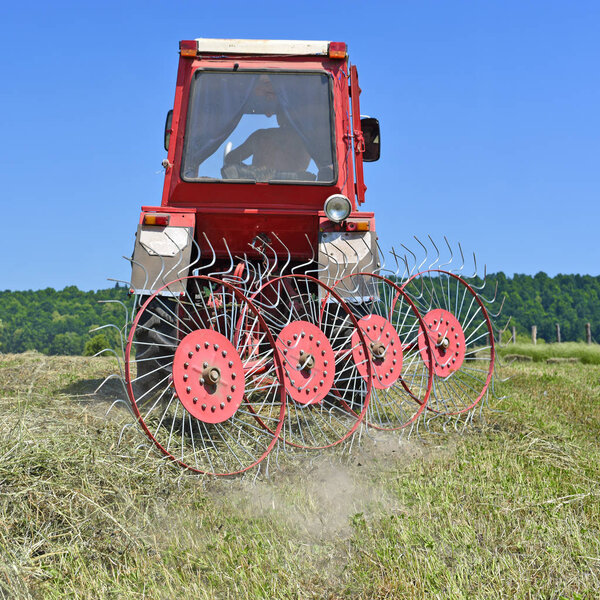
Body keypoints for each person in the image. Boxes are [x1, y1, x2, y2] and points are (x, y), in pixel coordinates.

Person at [223, 112, 311, 176]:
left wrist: (250, 171)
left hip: (260, 189)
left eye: (278, 112)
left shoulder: (260, 135)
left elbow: (230, 159)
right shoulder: (307, 140)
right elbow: (323, 166)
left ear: (279, 118)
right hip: (295, 190)